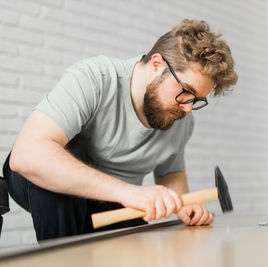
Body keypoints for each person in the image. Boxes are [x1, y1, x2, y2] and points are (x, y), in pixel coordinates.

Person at [2, 19, 238, 241]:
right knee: (61, 162)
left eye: (196, 100)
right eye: (185, 91)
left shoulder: (181, 116)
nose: (188, 108)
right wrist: (129, 193)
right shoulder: (94, 78)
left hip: (111, 204)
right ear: (157, 64)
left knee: (138, 250)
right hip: (51, 188)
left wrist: (186, 203)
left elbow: (169, 174)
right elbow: (27, 155)